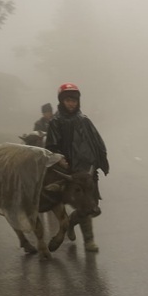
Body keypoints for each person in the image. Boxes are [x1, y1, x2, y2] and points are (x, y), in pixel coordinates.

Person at [45, 82, 109, 251]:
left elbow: (96, 143)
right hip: (67, 171)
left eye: (74, 100)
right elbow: (50, 146)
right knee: (81, 204)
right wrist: (59, 159)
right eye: (68, 100)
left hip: (86, 170)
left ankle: (74, 226)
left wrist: (97, 162)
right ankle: (89, 240)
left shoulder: (84, 120)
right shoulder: (55, 122)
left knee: (89, 205)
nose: (71, 103)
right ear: (62, 101)